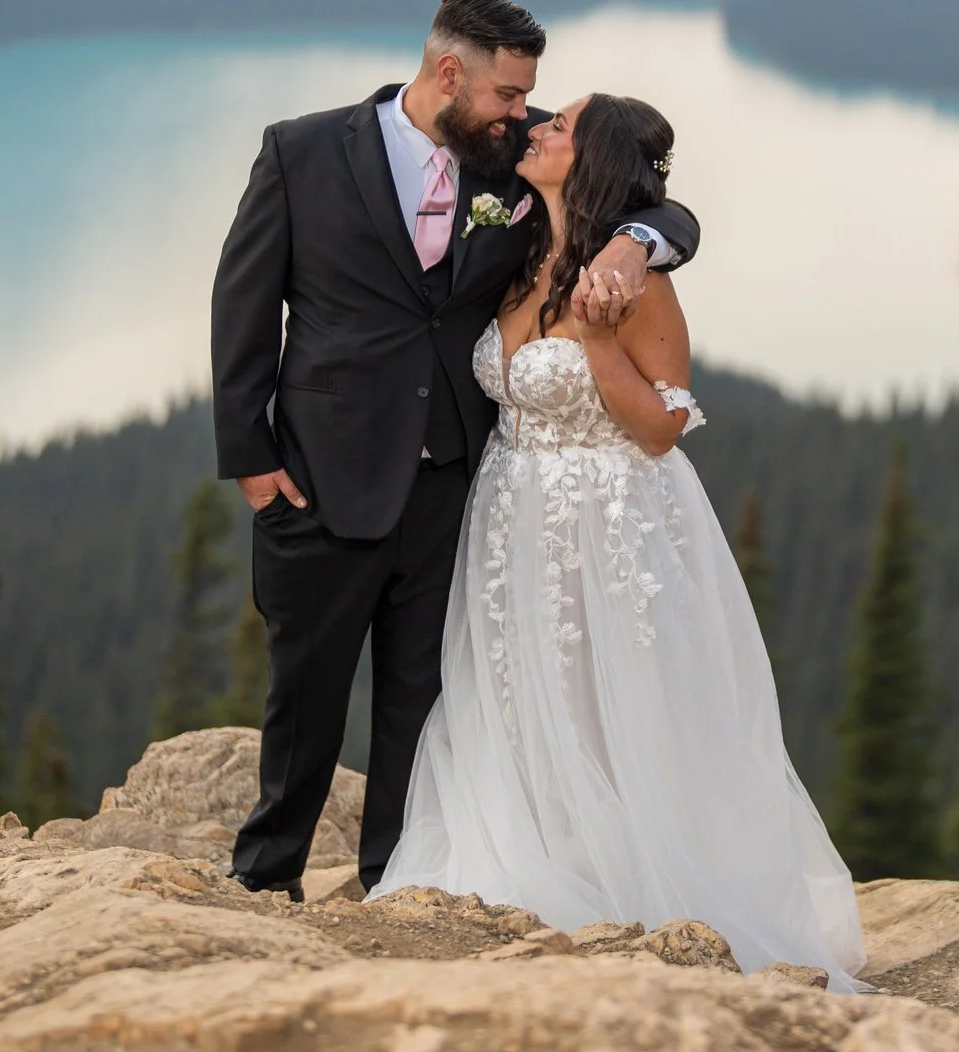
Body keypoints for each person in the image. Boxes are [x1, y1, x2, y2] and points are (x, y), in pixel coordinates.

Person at [210, 0, 700, 898]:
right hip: (319, 477)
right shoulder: (302, 151)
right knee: (303, 692)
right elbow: (244, 301)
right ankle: (264, 878)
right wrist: (249, 453)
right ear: (449, 73)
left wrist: (636, 241)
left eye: (531, 102)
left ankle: (395, 885)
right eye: (512, 95)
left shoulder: (517, 149)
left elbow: (657, 198)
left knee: (420, 700)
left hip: (456, 490)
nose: (528, 114)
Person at [369, 91, 866, 990]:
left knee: (611, 700)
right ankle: (539, 860)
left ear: (591, 157)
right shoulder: (516, 248)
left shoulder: (638, 283)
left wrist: (599, 341)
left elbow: (662, 428)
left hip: (610, 519)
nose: (539, 125)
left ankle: (626, 881)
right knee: (519, 689)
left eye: (559, 124)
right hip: (510, 513)